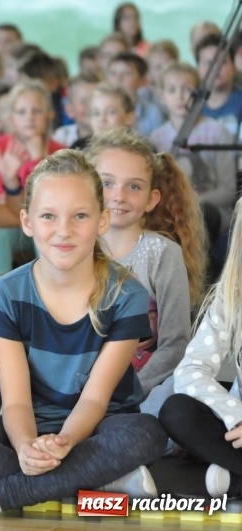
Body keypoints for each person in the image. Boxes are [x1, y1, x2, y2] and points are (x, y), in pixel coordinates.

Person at [0, 149, 168, 521]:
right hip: (26, 423)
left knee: (146, 433)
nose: (64, 230)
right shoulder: (6, 294)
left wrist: (65, 442)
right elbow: (15, 403)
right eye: (48, 216)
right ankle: (96, 479)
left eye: (80, 216)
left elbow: (94, 401)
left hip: (98, 426)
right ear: (26, 221)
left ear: (102, 220)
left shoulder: (127, 295)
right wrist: (27, 446)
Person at [87, 129, 205, 412]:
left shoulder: (162, 253)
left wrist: (130, 392)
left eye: (134, 187)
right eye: (106, 183)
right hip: (85, 388)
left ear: (152, 199)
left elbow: (175, 344)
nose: (119, 196)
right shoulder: (75, 248)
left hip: (144, 388)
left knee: (176, 396)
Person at [158, 196, 242, 499]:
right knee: (177, 409)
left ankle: (234, 478)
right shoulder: (231, 296)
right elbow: (191, 371)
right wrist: (236, 414)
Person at [150, 62, 236, 233]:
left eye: (187, 89)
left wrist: (190, 202)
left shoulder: (218, 132)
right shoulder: (156, 138)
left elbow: (229, 189)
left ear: (199, 94)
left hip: (211, 212)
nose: (180, 96)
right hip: (170, 213)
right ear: (162, 97)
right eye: (172, 90)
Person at [0, 80, 65, 202]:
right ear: (11, 118)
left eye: (37, 111)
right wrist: (10, 181)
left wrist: (37, 160)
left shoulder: (61, 151)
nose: (29, 118)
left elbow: (52, 200)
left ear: (49, 114)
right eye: (21, 112)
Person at [105, 52, 163, 136]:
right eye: (113, 73)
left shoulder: (153, 113)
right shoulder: (99, 109)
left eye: (127, 73)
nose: (118, 79)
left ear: (143, 80)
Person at [52, 75, 98, 148]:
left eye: (95, 100)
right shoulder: (62, 137)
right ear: (70, 110)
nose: (91, 106)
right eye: (84, 101)